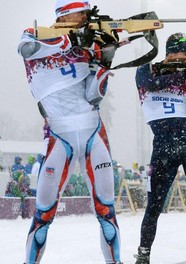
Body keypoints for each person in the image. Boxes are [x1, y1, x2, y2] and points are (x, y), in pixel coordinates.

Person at [18, 1, 122, 263]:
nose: (86, 18)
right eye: (81, 13)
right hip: (58, 134)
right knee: (43, 214)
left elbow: (93, 95)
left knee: (106, 211)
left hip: (92, 130)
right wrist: (71, 39)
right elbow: (25, 49)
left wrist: (105, 59)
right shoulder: (35, 34)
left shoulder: (87, 46)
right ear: (65, 13)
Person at [134, 32, 186, 264]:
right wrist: (182, 73)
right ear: (171, 52)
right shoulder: (146, 70)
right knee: (154, 207)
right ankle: (143, 254)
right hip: (163, 146)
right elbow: (150, 84)